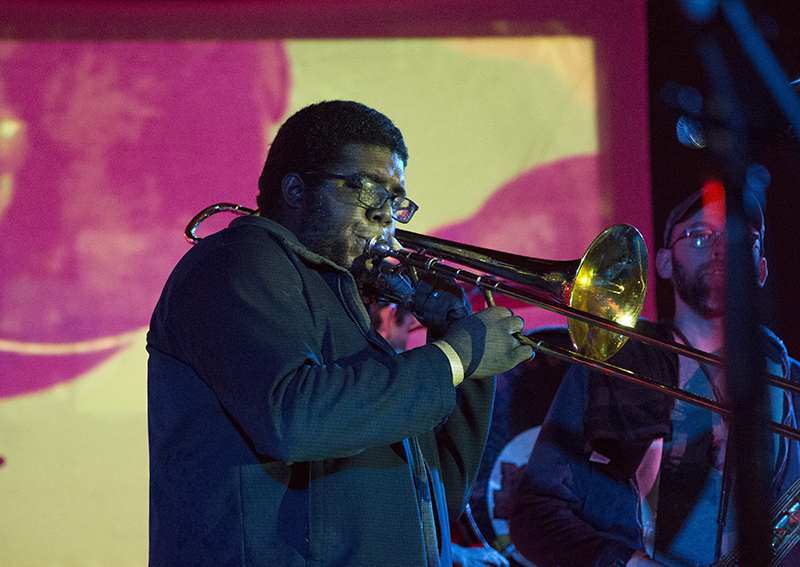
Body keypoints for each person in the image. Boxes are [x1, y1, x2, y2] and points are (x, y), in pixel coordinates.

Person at [146, 100, 533, 567]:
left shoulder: (344, 305)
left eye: (396, 200)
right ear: (295, 188)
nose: (385, 215)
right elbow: (293, 419)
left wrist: (461, 349)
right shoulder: (235, 264)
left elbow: (435, 495)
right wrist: (455, 357)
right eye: (369, 190)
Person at [508, 182, 800, 567]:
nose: (719, 247)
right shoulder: (613, 365)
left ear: (760, 267)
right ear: (662, 262)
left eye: (739, 237)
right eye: (698, 235)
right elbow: (533, 514)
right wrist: (628, 563)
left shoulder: (790, 383)